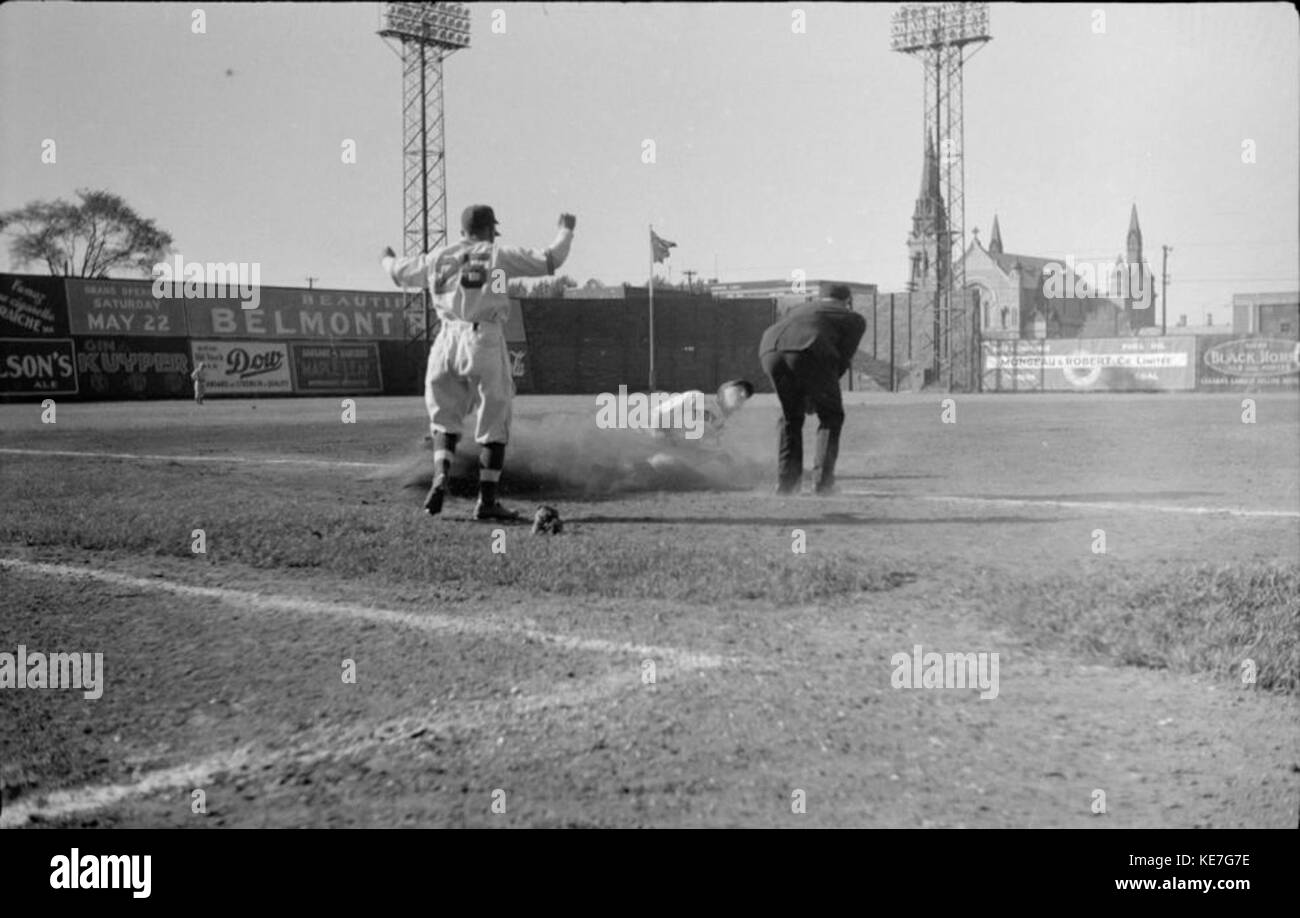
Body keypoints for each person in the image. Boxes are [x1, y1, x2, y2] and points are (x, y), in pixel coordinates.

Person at [382, 205, 576, 521]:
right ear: (489, 229)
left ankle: (440, 476)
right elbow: (551, 259)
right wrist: (566, 230)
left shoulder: (437, 257)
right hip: (482, 336)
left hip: (445, 339)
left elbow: (396, 271)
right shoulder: (496, 254)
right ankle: (486, 502)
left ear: (463, 231)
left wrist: (386, 257)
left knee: (444, 420)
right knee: (494, 423)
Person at [758, 284, 866, 495]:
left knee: (790, 417)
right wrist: (821, 395)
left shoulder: (797, 309)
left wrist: (808, 394)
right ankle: (823, 483)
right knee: (831, 415)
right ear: (847, 301)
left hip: (769, 350)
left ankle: (787, 483)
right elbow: (841, 360)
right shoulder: (853, 318)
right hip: (810, 349)